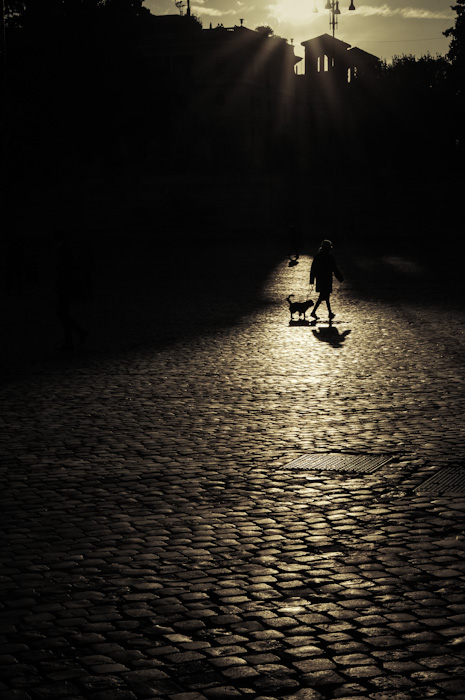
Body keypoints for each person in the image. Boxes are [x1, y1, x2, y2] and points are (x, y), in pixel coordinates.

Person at [53, 231, 89, 353]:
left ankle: (77, 335)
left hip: (66, 285)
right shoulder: (67, 248)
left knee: (61, 313)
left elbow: (65, 269)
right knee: (62, 313)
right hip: (66, 285)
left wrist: (59, 283)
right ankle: (72, 340)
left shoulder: (64, 249)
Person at [309, 239, 343, 320]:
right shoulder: (330, 257)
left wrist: (312, 279)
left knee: (324, 296)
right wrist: (340, 278)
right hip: (327, 279)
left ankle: (327, 313)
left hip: (320, 279)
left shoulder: (317, 256)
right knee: (324, 296)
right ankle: (320, 312)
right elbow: (334, 268)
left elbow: (313, 268)